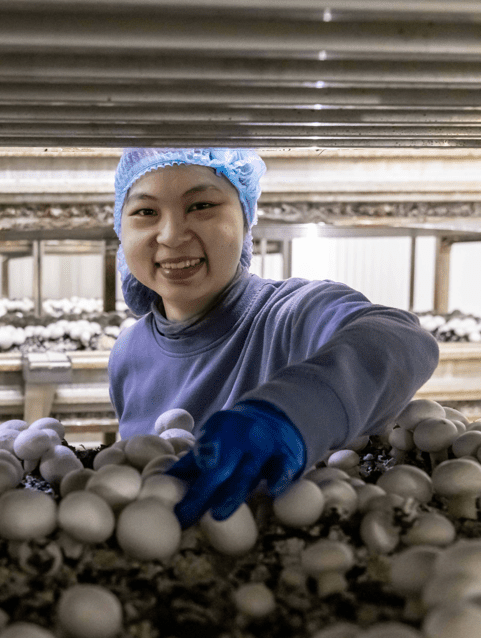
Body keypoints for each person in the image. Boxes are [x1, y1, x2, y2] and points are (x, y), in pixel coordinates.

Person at [107, 148, 440, 527]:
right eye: (145, 212)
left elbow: (402, 341)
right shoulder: (127, 354)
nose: (171, 236)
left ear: (246, 219)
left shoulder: (293, 315)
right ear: (121, 227)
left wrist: (290, 415)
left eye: (201, 206)